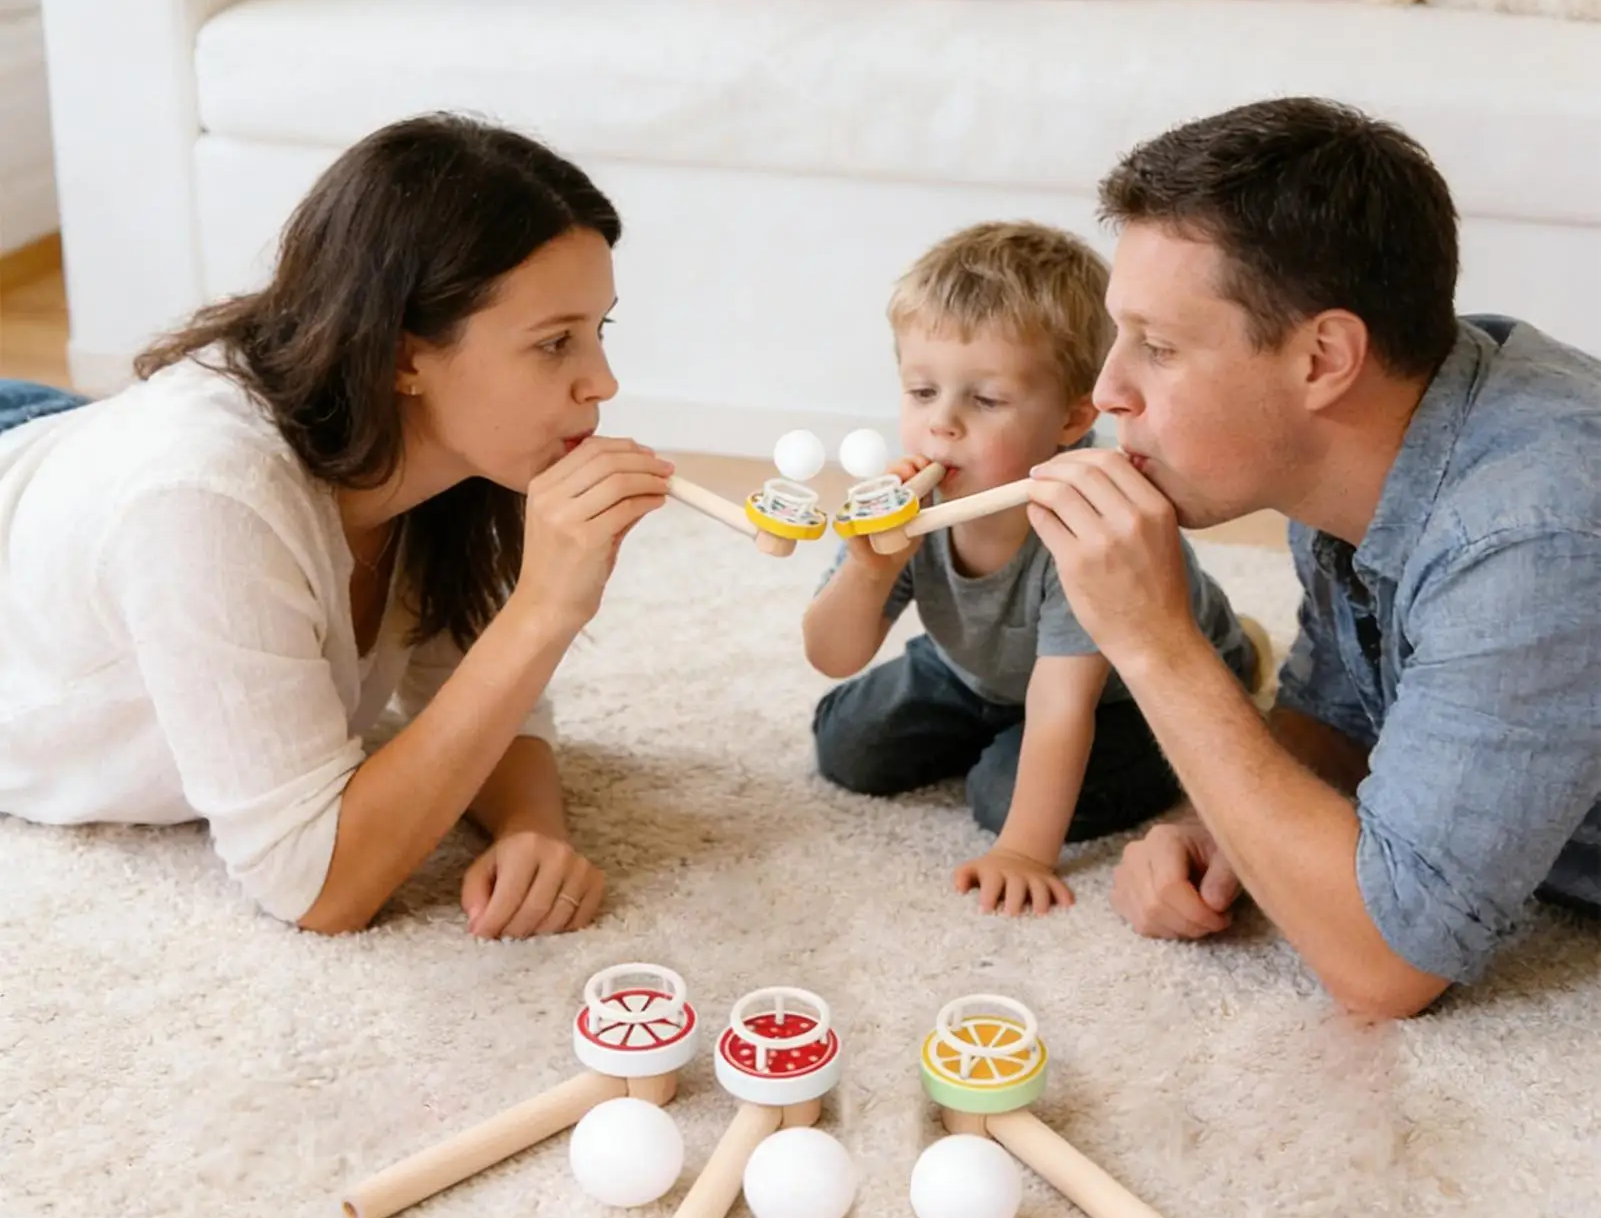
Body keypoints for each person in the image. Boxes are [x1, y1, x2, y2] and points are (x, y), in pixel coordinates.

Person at [0, 114, 674, 938]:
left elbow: (471, 690)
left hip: (54, 441)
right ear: (402, 357)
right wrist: (543, 611)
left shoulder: (440, 448)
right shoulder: (206, 505)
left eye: (596, 331)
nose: (600, 382)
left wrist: (532, 826)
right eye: (553, 343)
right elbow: (315, 886)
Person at [1025, 96, 1601, 1017]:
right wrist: (1214, 825)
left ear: (1324, 357)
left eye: (1159, 348)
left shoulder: (1534, 536)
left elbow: (1386, 965)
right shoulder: (1352, 442)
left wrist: (1154, 643)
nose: (1105, 391)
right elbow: (1337, 718)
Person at [804, 221, 1262, 917]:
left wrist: (1022, 850)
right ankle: (989, 720)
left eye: (984, 400)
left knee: (1000, 795)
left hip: (1118, 694)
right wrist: (868, 569)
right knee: (848, 744)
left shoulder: (1081, 525)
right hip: (979, 667)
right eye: (921, 392)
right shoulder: (909, 505)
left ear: (1072, 417)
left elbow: (1061, 706)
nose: (942, 425)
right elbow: (831, 655)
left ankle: (1238, 649)